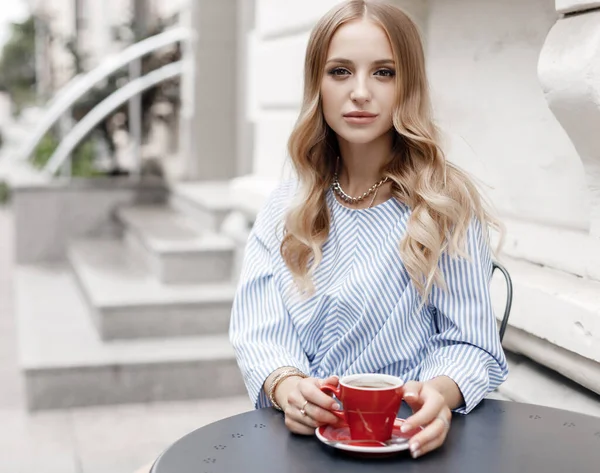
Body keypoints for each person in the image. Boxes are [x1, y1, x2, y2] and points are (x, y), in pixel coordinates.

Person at [229, 0, 508, 460]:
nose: (360, 92)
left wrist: (439, 395)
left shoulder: (442, 205)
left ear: (408, 86)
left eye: (384, 72)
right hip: (303, 444)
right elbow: (259, 330)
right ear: (317, 84)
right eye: (340, 71)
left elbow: (469, 341)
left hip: (408, 442)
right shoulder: (285, 207)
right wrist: (287, 386)